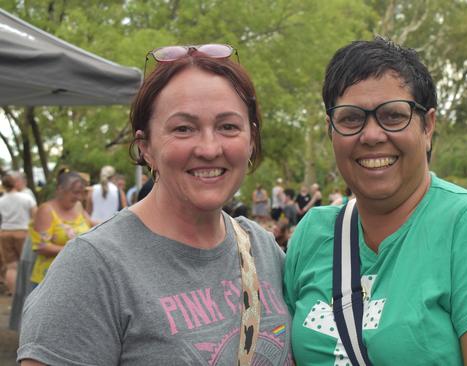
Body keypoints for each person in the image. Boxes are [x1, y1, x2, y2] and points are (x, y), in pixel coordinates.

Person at [284, 37, 467, 365]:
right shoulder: (314, 231)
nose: (371, 135)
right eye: (351, 118)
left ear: (427, 126)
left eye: (393, 116)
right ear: (331, 130)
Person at [18, 45, 291, 365]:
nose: (208, 147)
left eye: (228, 126)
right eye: (183, 128)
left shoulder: (262, 248)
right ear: (145, 147)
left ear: (251, 140)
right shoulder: (94, 267)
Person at [28, 170, 93, 288]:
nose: (79, 197)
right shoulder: (46, 210)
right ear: (60, 189)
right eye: (75, 192)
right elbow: (40, 246)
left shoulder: (77, 206)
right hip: (48, 279)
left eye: (81, 193)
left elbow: (91, 223)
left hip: (75, 277)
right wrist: (76, 249)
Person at [0, 172, 36, 295]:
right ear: (15, 183)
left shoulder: (1, 200)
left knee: (11, 267)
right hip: (23, 232)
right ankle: (27, 294)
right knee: (26, 264)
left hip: (5, 233)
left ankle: (15, 295)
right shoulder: (26, 198)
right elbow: (35, 216)